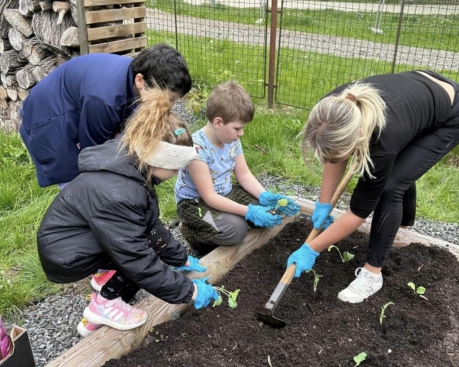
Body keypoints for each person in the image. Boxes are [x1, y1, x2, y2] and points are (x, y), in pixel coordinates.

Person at [37, 88, 219, 337]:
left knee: (139, 243)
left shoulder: (132, 164)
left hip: (79, 234)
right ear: (162, 160)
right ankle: (104, 304)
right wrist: (190, 291)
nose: (177, 173)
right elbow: (137, 257)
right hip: (64, 253)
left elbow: (149, 225)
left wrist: (181, 259)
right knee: (135, 256)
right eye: (177, 168)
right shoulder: (121, 193)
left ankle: (94, 313)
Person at [287, 70, 459, 303]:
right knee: (398, 171)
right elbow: (335, 154)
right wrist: (323, 204)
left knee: (390, 187)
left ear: (360, 136)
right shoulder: (332, 110)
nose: (327, 162)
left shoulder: (383, 142)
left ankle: (372, 274)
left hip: (450, 115)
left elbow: (358, 213)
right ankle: (401, 224)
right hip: (418, 96)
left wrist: (311, 249)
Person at [19, 43, 192, 189]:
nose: (170, 107)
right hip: (51, 119)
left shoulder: (135, 78)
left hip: (76, 106)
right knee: (79, 181)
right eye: (168, 99)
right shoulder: (105, 100)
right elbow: (94, 154)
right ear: (140, 81)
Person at [174, 80, 300, 256]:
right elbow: (209, 197)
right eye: (237, 128)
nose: (241, 133)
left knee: (267, 212)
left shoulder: (232, 141)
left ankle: (225, 222)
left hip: (224, 193)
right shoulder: (197, 149)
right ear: (218, 122)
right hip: (196, 204)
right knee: (237, 230)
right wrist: (248, 211)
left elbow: (244, 174)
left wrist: (264, 196)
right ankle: (192, 233)